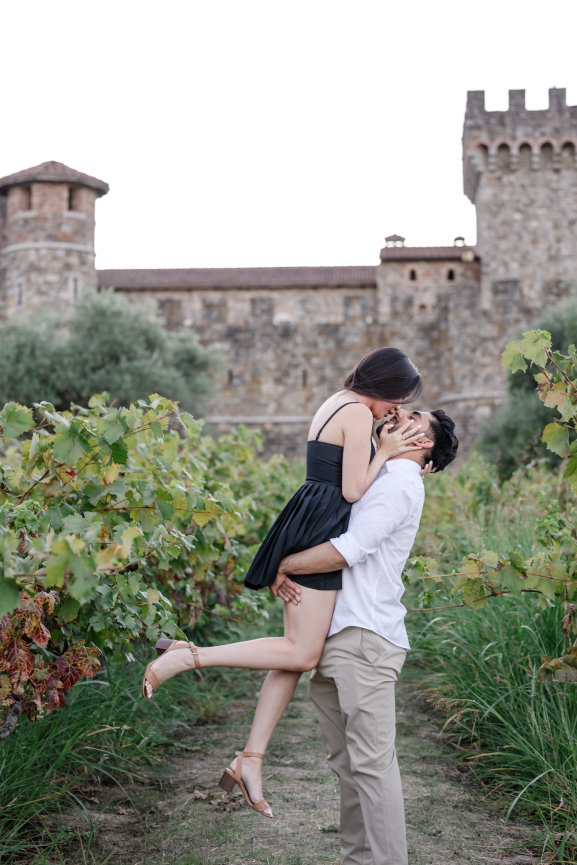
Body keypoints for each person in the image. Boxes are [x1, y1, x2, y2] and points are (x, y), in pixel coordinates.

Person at [141, 347, 424, 818]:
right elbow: (354, 490)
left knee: (294, 652)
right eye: (397, 400)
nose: (395, 411)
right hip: (323, 527)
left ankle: (251, 758)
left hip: (313, 515)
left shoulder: (337, 401)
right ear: (384, 387)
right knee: (302, 652)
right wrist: (389, 452)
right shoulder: (356, 411)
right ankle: (188, 656)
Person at [272, 407, 459, 865]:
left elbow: (348, 551)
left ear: (424, 444)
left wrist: (284, 564)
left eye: (414, 416)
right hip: (340, 635)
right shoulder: (379, 475)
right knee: (348, 767)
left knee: (372, 767)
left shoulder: (398, 483)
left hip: (365, 640)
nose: (399, 412)